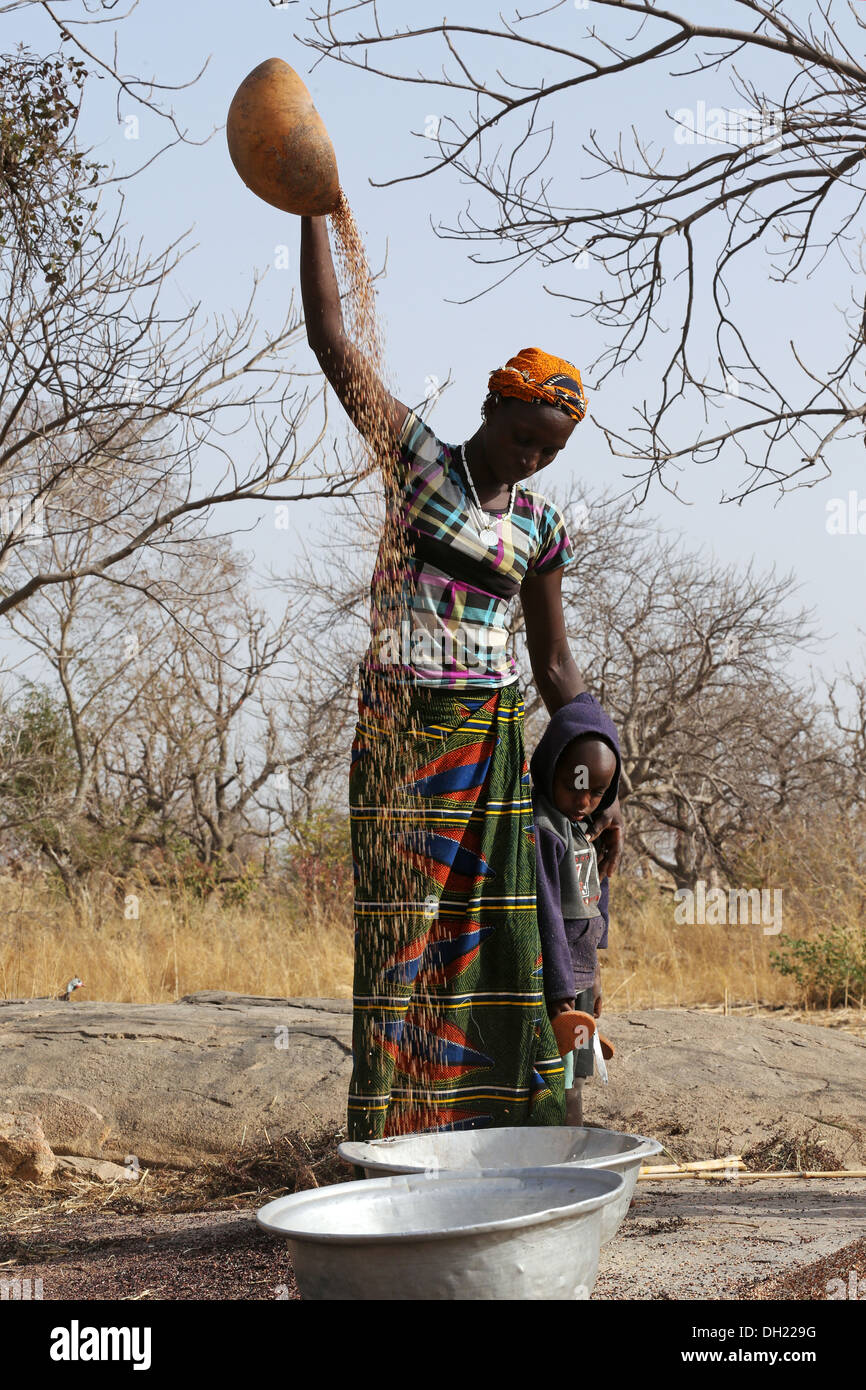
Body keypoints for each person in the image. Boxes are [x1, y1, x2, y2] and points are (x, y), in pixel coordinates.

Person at [299, 214, 623, 1139]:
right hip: (404, 734)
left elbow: (554, 660)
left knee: (499, 936)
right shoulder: (418, 465)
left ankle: (493, 1132)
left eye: (550, 450)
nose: (534, 457)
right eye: (526, 436)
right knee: (401, 935)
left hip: (489, 740)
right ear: (495, 410)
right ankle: (382, 1136)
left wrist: (602, 759)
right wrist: (314, 207)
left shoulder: (540, 525)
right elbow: (332, 338)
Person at [529, 697, 622, 1125]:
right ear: (549, 769)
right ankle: (557, 1151)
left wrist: (596, 973)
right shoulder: (546, 830)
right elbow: (548, 912)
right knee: (557, 1074)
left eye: (598, 791)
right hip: (556, 982)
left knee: (578, 1073)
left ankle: (574, 1146)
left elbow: (594, 892)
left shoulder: (583, 827)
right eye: (574, 785)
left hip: (580, 978)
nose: (585, 799)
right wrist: (560, 995)